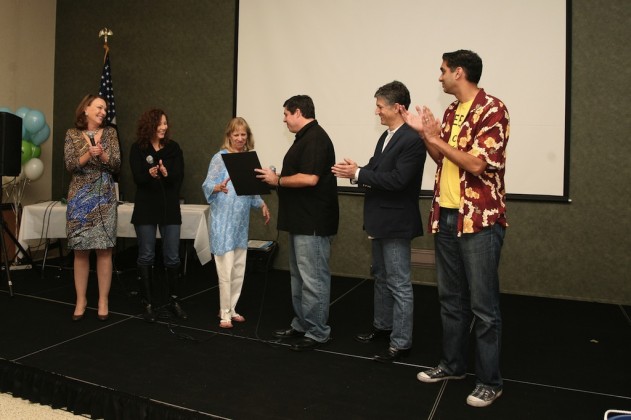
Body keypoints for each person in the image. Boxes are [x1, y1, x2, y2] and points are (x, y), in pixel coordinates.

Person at [401, 49, 510, 408]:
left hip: (478, 220)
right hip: (446, 216)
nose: (440, 76)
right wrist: (425, 136)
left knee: (483, 307)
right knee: (450, 300)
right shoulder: (450, 111)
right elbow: (442, 157)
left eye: (443, 70)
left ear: (459, 72)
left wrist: (437, 138)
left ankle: (490, 381)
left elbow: (478, 165)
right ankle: (452, 365)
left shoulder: (493, 109)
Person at [331, 81, 426, 362]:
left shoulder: (411, 139)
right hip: (380, 220)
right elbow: (375, 168)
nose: (377, 112)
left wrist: (360, 173)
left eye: (380, 106)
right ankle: (383, 328)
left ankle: (401, 342)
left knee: (399, 283)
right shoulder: (387, 136)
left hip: (396, 223)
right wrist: (355, 170)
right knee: (382, 278)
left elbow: (398, 180)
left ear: (398, 108)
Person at [255, 95, 339, 351]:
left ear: (298, 112)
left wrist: (277, 181)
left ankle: (317, 332)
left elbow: (310, 178)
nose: (284, 119)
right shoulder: (306, 138)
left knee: (313, 278)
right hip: (300, 220)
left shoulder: (315, 138)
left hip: (311, 222)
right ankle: (302, 324)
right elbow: (299, 175)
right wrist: (276, 177)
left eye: (286, 114)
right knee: (300, 278)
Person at [202, 117, 271, 329]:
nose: (240, 138)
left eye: (243, 135)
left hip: (240, 223)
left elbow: (251, 190)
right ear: (229, 136)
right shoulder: (219, 158)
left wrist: (261, 205)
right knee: (225, 268)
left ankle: (232, 308)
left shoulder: (248, 160)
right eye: (236, 134)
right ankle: (224, 313)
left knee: (239, 268)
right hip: (223, 222)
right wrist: (217, 188)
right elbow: (207, 184)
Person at [64, 94, 121, 321]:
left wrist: (104, 155)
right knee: (80, 250)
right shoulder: (71, 134)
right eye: (99, 107)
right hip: (79, 197)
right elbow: (70, 164)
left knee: (104, 250)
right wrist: (89, 153)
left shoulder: (110, 133)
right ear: (85, 109)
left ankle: (103, 300)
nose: (103, 112)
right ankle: (81, 300)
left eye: (105, 109)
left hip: (105, 197)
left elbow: (116, 164)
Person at [130, 108, 187, 322]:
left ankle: (174, 301)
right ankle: (147, 303)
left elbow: (179, 176)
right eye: (159, 123)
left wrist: (165, 173)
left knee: (172, 255)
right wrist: (149, 173)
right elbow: (137, 177)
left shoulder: (173, 148)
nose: (164, 127)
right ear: (150, 125)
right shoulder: (138, 148)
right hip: (146, 207)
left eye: (165, 123)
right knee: (146, 255)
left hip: (169, 207)